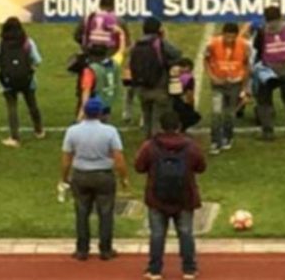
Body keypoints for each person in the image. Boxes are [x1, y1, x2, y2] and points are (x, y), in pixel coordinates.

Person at [135, 111, 207, 280]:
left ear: (160, 126)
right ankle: (189, 269)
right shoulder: (191, 146)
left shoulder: (150, 146)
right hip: (185, 196)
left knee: (157, 234)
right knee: (186, 233)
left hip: (156, 197)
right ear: (179, 126)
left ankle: (154, 270)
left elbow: (139, 167)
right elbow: (201, 167)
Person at [60, 97, 129, 262]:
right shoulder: (110, 131)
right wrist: (124, 177)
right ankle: (105, 249)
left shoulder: (73, 131)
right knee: (105, 213)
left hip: (81, 175)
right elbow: (118, 157)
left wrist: (64, 178)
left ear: (85, 112)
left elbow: (66, 158)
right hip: (104, 175)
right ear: (100, 113)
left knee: (82, 212)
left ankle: (82, 249)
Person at [253, 6, 285, 140]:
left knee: (264, 102)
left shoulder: (262, 30)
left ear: (265, 18)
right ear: (280, 15)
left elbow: (257, 47)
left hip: (268, 71)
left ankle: (268, 132)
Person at [0, 17, 45, 148]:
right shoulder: (27, 42)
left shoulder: (0, 43)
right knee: (32, 104)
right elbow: (38, 60)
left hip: (7, 82)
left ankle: (14, 137)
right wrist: (29, 69)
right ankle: (39, 130)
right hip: (27, 80)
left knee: (12, 107)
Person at [129, 18, 183, 139]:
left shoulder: (137, 45)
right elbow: (177, 53)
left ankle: (147, 145)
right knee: (158, 122)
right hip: (159, 87)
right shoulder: (160, 43)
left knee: (147, 119)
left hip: (142, 88)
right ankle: (156, 148)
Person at [203, 22, 250, 155]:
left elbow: (247, 66)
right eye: (227, 37)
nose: (229, 40)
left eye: (232, 37)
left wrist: (245, 87)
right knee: (216, 112)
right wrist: (212, 76)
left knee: (229, 114)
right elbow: (206, 60)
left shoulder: (244, 45)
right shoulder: (212, 44)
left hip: (235, 84)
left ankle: (227, 136)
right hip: (218, 84)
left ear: (236, 36)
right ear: (222, 34)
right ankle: (215, 141)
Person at [77, 47, 120, 122]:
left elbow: (86, 91)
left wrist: (81, 113)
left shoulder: (91, 70)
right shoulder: (114, 64)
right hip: (107, 102)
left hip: (93, 106)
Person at [170, 57, 201, 132]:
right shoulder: (189, 78)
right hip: (182, 102)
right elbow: (189, 93)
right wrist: (191, 104)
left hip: (172, 101)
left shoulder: (173, 76)